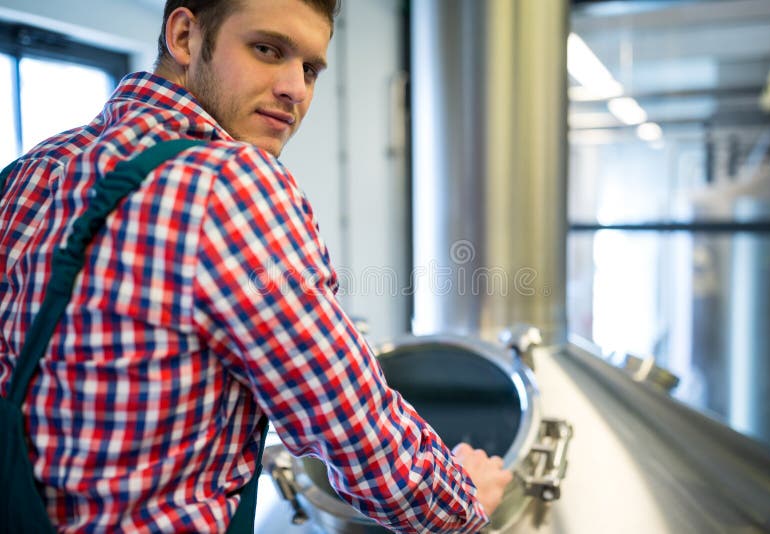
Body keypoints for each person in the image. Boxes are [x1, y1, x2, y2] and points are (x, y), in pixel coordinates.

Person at [0, 0, 512, 532]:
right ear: (183, 37)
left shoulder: (32, 171)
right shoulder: (230, 183)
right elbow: (355, 428)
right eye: (268, 50)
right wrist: (462, 505)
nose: (296, 88)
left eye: (310, 68)